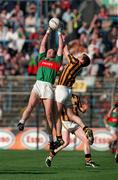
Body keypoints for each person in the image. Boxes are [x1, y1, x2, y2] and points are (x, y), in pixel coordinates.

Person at [17, 27, 64, 150]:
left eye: (50, 51)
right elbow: (42, 44)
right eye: (48, 51)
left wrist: (59, 33)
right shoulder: (41, 59)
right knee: (30, 106)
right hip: (38, 84)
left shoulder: (57, 62)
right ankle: (22, 122)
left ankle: (51, 140)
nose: (49, 51)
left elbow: (60, 48)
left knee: (48, 115)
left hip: (48, 87)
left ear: (53, 54)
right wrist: (48, 32)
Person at [54, 43, 93, 148]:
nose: (79, 55)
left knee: (56, 114)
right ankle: (85, 128)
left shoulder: (75, 61)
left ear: (82, 60)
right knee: (71, 115)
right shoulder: (79, 66)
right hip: (68, 92)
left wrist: (60, 35)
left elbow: (65, 50)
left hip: (61, 89)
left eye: (81, 56)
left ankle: (58, 139)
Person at [45, 94, 98, 167]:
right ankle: (50, 156)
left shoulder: (76, 97)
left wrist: (85, 109)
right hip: (65, 123)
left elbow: (81, 109)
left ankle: (88, 161)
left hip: (75, 123)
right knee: (65, 143)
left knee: (86, 140)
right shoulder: (60, 97)